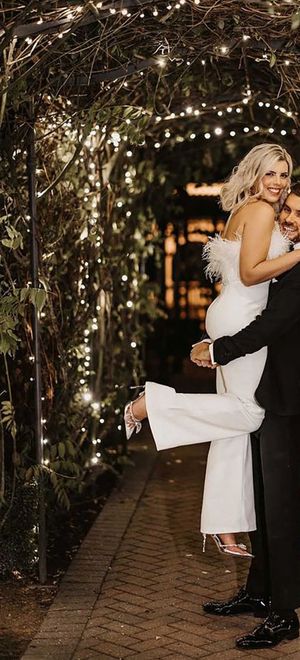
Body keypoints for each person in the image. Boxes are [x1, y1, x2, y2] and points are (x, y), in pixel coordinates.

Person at [124, 143, 300, 554]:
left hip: (233, 310)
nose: (277, 182)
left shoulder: (252, 209)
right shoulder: (258, 211)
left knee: (232, 425)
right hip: (243, 315)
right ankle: (151, 404)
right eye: (270, 173)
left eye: (284, 174)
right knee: (250, 412)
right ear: (255, 174)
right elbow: (252, 272)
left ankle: (225, 526)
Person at [192, 183, 300, 649]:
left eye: (298, 212)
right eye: (288, 209)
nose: (289, 217)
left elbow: (273, 325)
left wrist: (220, 349)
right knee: (264, 497)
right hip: (272, 391)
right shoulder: (286, 258)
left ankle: (286, 613)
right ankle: (259, 593)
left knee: (282, 509)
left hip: (293, 401)